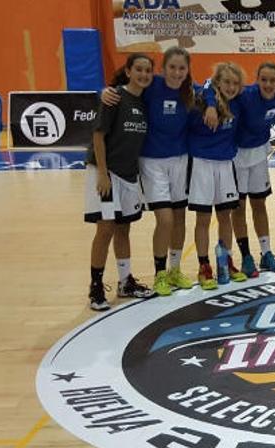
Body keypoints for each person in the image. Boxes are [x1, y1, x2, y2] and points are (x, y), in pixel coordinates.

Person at [102, 46, 196, 297]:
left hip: (180, 159)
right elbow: (121, 87)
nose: (177, 72)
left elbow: (211, 92)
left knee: (180, 218)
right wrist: (105, 92)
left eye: (182, 68)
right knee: (164, 219)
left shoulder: (190, 92)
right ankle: (160, 274)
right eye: (172, 67)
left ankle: (175, 270)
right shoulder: (151, 85)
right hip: (152, 160)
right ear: (163, 69)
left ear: (187, 71)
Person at [85, 53, 155, 310]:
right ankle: (95, 287)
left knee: (124, 228)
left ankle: (125, 281)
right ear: (128, 71)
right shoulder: (114, 97)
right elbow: (98, 135)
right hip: (107, 173)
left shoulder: (145, 100)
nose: (144, 75)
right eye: (139, 69)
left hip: (128, 174)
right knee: (105, 229)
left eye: (148, 71)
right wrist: (102, 172)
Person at [188, 62, 248, 289]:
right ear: (217, 83)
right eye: (226, 82)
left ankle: (226, 261)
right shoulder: (202, 102)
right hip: (202, 162)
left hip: (226, 163)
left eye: (235, 83)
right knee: (203, 219)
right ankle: (204, 267)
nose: (231, 87)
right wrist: (210, 101)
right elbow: (195, 85)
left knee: (225, 216)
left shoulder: (239, 104)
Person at [228, 61, 275, 276]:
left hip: (260, 154)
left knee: (259, 205)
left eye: (273, 80)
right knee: (239, 208)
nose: (268, 84)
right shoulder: (246, 95)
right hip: (237, 155)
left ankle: (266, 253)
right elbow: (212, 86)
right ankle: (245, 256)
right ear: (257, 79)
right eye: (264, 80)